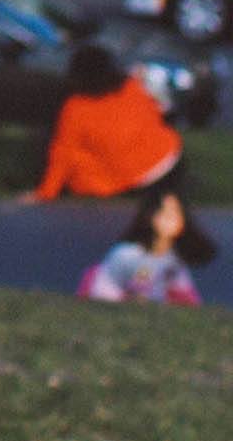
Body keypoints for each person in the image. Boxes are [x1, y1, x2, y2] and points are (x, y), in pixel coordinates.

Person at [22, 43, 182, 204]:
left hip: (134, 177)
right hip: (167, 158)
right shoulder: (131, 86)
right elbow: (157, 113)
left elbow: (63, 153)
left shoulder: (76, 108)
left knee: (74, 156)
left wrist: (45, 193)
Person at [78, 186, 218, 303]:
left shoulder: (172, 257)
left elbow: (185, 294)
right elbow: (139, 295)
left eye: (176, 214)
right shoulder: (135, 255)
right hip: (105, 298)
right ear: (151, 217)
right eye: (166, 214)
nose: (172, 219)